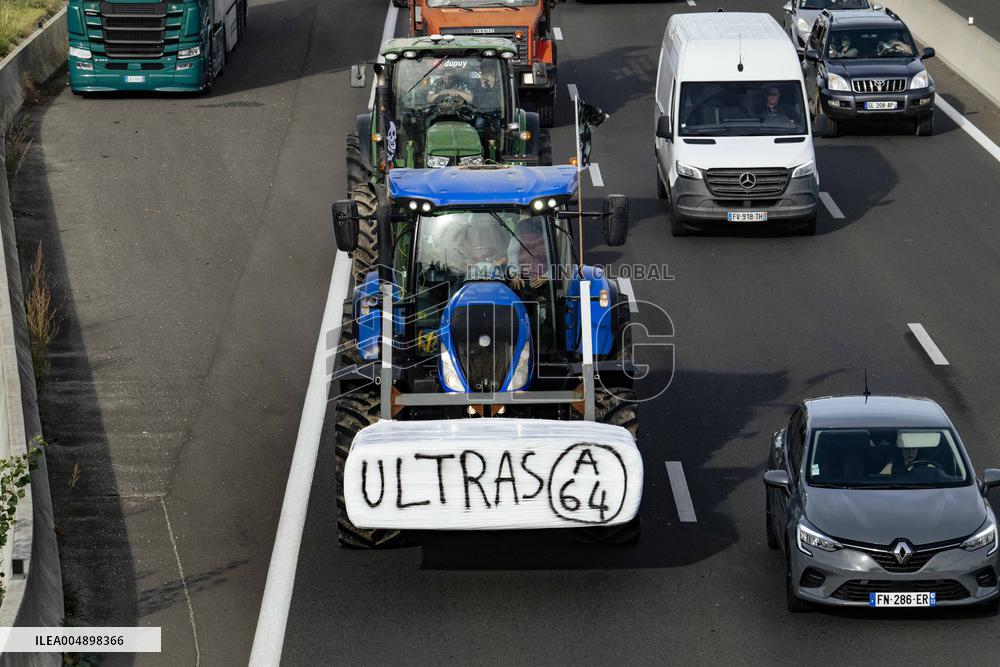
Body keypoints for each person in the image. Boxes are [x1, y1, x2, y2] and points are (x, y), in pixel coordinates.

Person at [507, 218, 548, 290]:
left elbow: (558, 256)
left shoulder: (549, 223)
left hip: (544, 281)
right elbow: (513, 253)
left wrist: (547, 276)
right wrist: (514, 274)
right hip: (522, 279)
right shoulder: (522, 225)